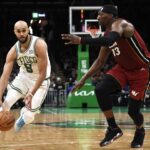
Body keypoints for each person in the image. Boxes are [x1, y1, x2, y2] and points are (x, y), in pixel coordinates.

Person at [62, 5, 150, 148]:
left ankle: (140, 131)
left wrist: (81, 40)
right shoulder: (107, 34)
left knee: (133, 111)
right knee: (100, 89)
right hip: (122, 68)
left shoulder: (121, 24)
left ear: (111, 15)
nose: (97, 17)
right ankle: (113, 128)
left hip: (141, 70)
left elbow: (110, 40)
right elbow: (99, 61)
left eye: (100, 14)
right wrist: (83, 80)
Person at [0, 20, 51, 132]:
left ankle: (22, 118)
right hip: (23, 78)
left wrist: (31, 92)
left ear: (28, 29)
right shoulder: (13, 51)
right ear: (15, 32)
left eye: (24, 30)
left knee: (29, 116)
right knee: (5, 103)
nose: (22, 33)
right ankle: (2, 125)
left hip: (41, 81)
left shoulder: (39, 44)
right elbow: (4, 76)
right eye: (18, 31)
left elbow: (42, 74)